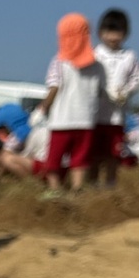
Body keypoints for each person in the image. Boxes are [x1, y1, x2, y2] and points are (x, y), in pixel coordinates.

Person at [38, 14, 104, 193]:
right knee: (80, 159)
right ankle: (77, 189)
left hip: (61, 121)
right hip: (86, 121)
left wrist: (43, 107)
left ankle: (55, 190)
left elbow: (54, 87)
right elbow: (101, 91)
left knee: (54, 158)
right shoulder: (97, 64)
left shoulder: (59, 61)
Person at [93, 8, 137, 187]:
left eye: (117, 32)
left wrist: (127, 91)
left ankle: (111, 185)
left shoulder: (129, 56)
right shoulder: (95, 54)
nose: (113, 37)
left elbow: (136, 79)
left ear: (125, 33)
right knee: (94, 153)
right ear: (100, 32)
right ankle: (92, 185)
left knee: (114, 153)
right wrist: (103, 90)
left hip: (117, 116)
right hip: (95, 115)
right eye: (109, 32)